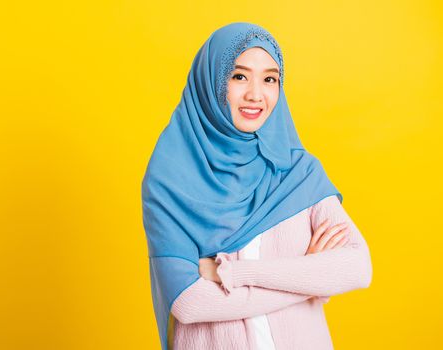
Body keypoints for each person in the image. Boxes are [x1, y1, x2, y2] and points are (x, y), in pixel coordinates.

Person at [141, 22, 373, 350]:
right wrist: (309, 277)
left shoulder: (298, 172)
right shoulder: (169, 180)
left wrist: (235, 273)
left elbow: (358, 268)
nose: (255, 94)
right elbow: (189, 302)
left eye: (269, 79)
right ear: (210, 82)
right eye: (239, 76)